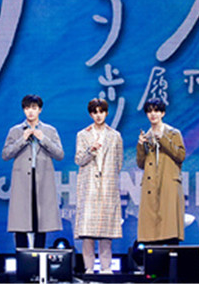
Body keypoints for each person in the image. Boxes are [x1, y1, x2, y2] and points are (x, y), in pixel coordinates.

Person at [2, 94, 64, 249]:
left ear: (40, 110)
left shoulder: (49, 130)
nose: (30, 111)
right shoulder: (15, 131)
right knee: (21, 223)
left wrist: (43, 139)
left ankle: (39, 258)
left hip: (42, 180)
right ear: (24, 110)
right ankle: (22, 259)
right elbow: (6, 155)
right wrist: (22, 140)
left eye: (34, 108)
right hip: (22, 181)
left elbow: (59, 154)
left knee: (41, 222)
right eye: (27, 108)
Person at [74, 99, 123, 274]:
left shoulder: (115, 135)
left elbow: (118, 162)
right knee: (88, 232)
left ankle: (106, 267)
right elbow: (79, 160)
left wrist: (108, 178)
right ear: (90, 114)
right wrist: (90, 150)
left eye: (101, 111)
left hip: (108, 187)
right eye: (95, 112)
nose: (98, 115)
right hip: (89, 188)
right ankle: (89, 268)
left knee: (106, 232)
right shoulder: (83, 135)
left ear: (106, 113)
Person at [136, 98, 185, 245]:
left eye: (156, 111)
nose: (153, 114)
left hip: (168, 182)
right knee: (152, 232)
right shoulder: (146, 136)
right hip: (151, 184)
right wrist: (140, 146)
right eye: (149, 111)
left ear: (162, 113)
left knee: (170, 229)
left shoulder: (173, 133)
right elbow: (141, 164)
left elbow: (180, 156)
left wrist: (163, 139)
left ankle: (172, 258)